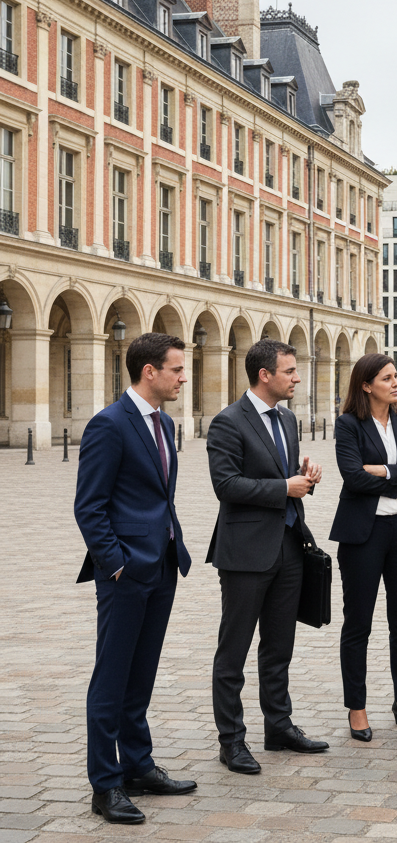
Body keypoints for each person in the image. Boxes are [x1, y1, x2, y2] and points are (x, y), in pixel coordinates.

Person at [74, 332, 195, 825]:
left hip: (163, 564)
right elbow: (89, 505)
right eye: (176, 369)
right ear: (150, 371)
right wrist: (116, 563)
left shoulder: (164, 423)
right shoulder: (109, 424)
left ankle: (138, 765)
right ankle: (106, 783)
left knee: (140, 675)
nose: (183, 377)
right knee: (112, 677)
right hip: (125, 572)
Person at [206, 339, 326, 775]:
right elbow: (227, 486)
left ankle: (278, 726)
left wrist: (305, 478)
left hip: (290, 547)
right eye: (290, 371)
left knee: (279, 647)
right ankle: (232, 742)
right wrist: (284, 488)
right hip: (244, 553)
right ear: (265, 375)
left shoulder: (289, 420)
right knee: (233, 652)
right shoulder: (227, 423)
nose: (297, 377)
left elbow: (285, 478)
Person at [331, 353, 397, 740]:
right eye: (388, 378)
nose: (396, 383)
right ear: (366, 385)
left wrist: (385, 471)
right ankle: (356, 708)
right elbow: (353, 478)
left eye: (396, 376)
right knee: (358, 623)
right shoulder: (348, 425)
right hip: (363, 533)